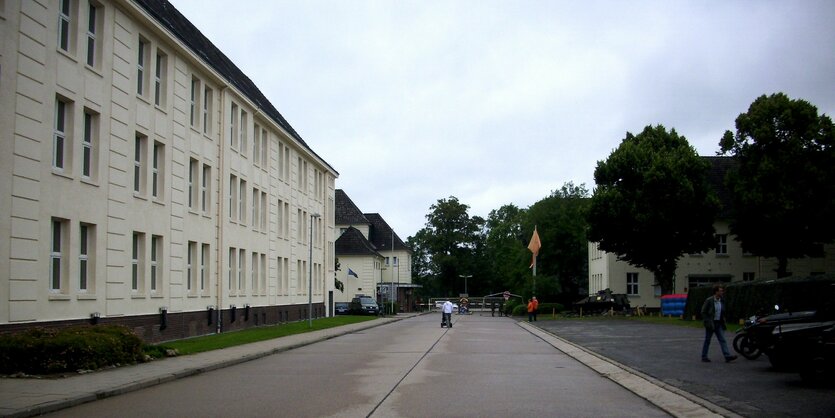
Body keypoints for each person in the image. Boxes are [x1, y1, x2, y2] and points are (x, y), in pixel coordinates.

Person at [701, 284, 738, 363]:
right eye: (721, 291)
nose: (722, 292)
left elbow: (722, 311)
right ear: (716, 292)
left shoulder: (722, 300)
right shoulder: (709, 300)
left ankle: (727, 356)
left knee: (722, 340)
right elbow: (703, 312)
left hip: (719, 323)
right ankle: (704, 356)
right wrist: (707, 321)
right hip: (711, 323)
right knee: (708, 340)